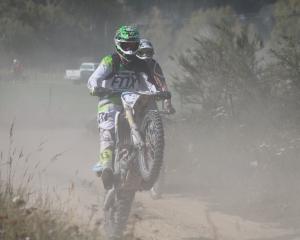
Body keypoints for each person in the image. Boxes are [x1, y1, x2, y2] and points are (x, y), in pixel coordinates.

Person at [87, 26, 174, 190]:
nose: (129, 49)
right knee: (108, 132)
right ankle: (107, 167)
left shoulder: (141, 64)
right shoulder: (110, 61)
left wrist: (159, 93)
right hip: (110, 100)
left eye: (133, 46)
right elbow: (93, 79)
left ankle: (147, 150)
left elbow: (150, 82)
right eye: (125, 45)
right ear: (118, 44)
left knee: (147, 114)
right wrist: (95, 88)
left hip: (132, 100)